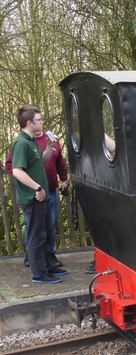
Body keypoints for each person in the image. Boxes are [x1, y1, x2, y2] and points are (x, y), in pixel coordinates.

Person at [10, 106, 67, 284]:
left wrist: (49, 147)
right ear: (29, 123)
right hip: (32, 198)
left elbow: (40, 161)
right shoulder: (21, 143)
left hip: (41, 198)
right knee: (36, 236)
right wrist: (37, 188)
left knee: (45, 234)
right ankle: (39, 274)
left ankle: (47, 268)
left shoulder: (31, 141)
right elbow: (17, 171)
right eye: (39, 120)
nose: (42, 122)